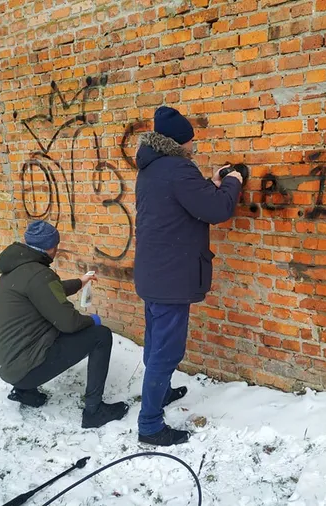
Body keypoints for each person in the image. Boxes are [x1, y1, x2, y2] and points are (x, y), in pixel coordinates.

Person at [134, 106, 243, 446]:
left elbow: (184, 202)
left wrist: (208, 185)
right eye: (190, 142)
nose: (194, 146)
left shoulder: (151, 168)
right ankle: (150, 425)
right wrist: (233, 182)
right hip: (171, 277)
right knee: (166, 351)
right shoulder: (179, 169)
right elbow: (216, 209)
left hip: (154, 273)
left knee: (155, 342)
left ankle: (161, 393)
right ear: (178, 142)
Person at [0, 220, 129, 428]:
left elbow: (48, 291)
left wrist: (80, 282)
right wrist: (92, 320)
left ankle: (24, 392)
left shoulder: (16, 270)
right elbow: (69, 323)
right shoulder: (38, 275)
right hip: (25, 368)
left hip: (8, 364)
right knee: (101, 335)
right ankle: (94, 411)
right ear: (52, 247)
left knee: (44, 328)